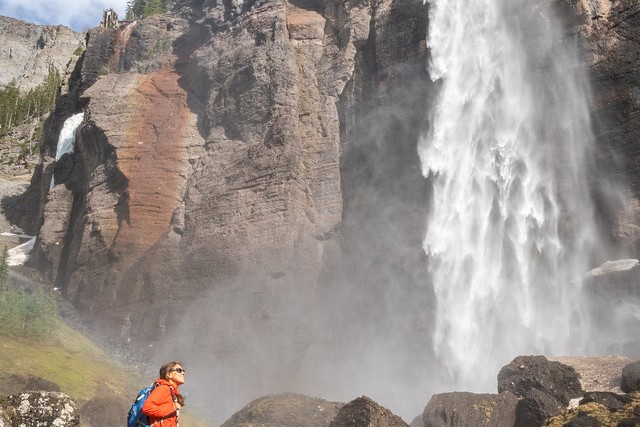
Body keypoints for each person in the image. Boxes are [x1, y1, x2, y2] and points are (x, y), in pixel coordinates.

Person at [141, 361, 186, 426]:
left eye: (183, 371)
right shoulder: (164, 388)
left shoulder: (172, 393)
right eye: (179, 370)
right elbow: (147, 408)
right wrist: (172, 407)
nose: (183, 373)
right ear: (168, 374)